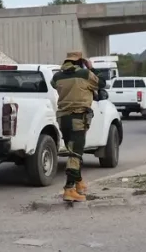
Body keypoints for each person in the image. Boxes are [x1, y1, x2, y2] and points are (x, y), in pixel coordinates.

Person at [50, 51, 99, 203]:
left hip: (63, 118)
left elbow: (53, 85)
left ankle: (79, 183)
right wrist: (91, 68)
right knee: (75, 154)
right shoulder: (85, 74)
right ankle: (69, 189)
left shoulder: (57, 76)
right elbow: (101, 83)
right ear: (80, 61)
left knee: (72, 150)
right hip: (78, 117)